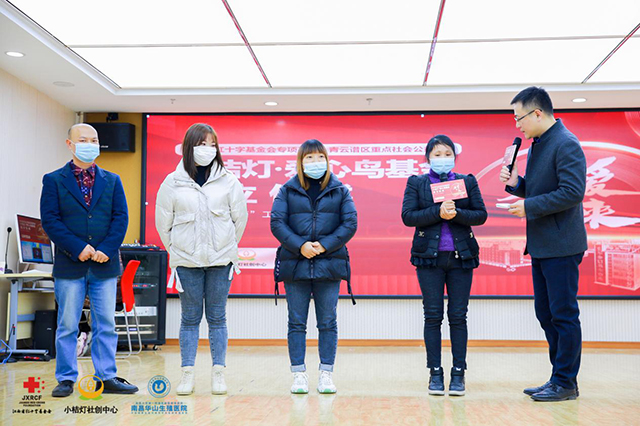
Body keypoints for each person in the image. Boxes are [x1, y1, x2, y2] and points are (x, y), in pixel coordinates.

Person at [500, 87, 587, 402]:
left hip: (561, 244)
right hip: (542, 244)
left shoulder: (566, 143)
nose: (517, 125)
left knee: (563, 315)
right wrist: (517, 185)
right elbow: (542, 190)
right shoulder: (539, 144)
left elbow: (572, 192)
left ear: (537, 113)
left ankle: (566, 382)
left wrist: (528, 206)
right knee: (546, 314)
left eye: (519, 117)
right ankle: (558, 377)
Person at [40, 123, 138, 397]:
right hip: (70, 265)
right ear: (70, 144)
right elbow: (50, 221)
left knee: (105, 323)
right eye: (83, 140)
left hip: (104, 266)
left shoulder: (113, 180)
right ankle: (66, 378)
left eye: (94, 140)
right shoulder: (53, 180)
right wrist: (77, 247)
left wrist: (106, 248)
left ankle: (107, 376)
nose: (90, 145)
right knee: (68, 324)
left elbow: (120, 218)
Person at [156, 123, 248, 395]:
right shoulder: (172, 182)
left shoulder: (229, 181)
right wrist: (179, 251)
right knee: (189, 318)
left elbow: (239, 220)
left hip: (221, 262)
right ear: (189, 147)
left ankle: (218, 374)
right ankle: (187, 374)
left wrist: (226, 247)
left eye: (212, 145)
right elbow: (164, 225)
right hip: (187, 263)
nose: (208, 149)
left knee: (218, 317)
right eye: (202, 144)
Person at [402, 135, 487, 396]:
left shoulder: (466, 181)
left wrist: (457, 213)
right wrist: (437, 212)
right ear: (428, 157)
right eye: (437, 154)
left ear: (455, 156)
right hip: (429, 258)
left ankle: (458, 373)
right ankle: (435, 373)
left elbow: (480, 215)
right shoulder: (417, 183)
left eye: (447, 153)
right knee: (432, 316)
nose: (442, 158)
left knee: (458, 316)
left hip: (461, 257)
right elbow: (408, 216)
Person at [270, 139, 357, 395]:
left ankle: (326, 374)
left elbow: (350, 224)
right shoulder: (287, 190)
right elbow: (277, 223)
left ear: (327, 161)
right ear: (300, 162)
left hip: (329, 264)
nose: (315, 162)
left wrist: (323, 246)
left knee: (327, 322)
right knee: (296, 322)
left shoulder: (340, 190)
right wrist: (301, 246)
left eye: (320, 157)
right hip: (295, 264)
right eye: (309, 158)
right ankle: (298, 374)